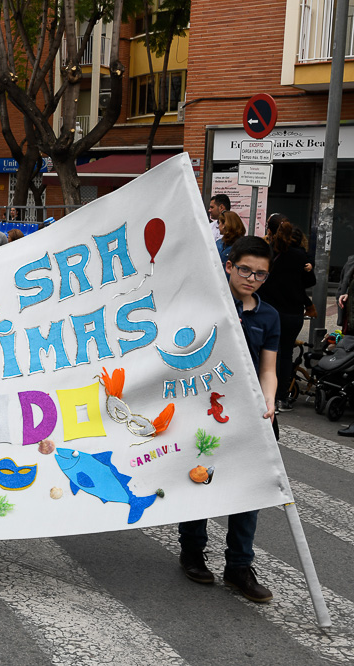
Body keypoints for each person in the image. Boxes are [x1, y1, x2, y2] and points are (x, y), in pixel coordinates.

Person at [178, 236, 278, 604]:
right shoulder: (206, 305)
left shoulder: (269, 316)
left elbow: (269, 368)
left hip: (251, 416)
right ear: (228, 266)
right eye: (245, 270)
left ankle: (239, 566)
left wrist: (268, 400)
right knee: (201, 482)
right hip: (206, 412)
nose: (252, 278)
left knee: (249, 490)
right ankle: (192, 551)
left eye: (261, 274)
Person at [258, 214, 314, 413]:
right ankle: (283, 398)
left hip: (271, 311)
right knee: (285, 354)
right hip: (293, 314)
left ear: (270, 231)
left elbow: (260, 283)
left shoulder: (268, 254)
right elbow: (310, 282)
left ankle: (268, 397)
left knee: (271, 354)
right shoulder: (300, 255)